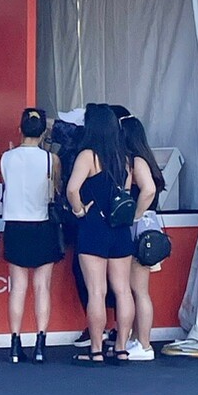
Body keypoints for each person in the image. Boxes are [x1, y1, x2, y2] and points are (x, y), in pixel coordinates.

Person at [66, 104, 153, 365]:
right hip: (120, 229)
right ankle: (122, 347)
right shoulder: (125, 158)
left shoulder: (88, 156)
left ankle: (96, 350)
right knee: (123, 290)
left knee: (97, 291)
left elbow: (72, 189)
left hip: (93, 227)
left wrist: (79, 210)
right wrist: (135, 215)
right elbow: (135, 191)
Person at [0, 107, 63, 363]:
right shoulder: (51, 159)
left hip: (15, 224)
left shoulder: (6, 157)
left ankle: (15, 344)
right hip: (43, 224)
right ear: (43, 133)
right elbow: (55, 189)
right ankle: (40, 344)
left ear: (20, 129)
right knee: (41, 286)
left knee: (18, 287)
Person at [121, 116, 165, 361]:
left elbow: (148, 190)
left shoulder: (136, 161)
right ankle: (138, 339)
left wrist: (135, 215)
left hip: (140, 228)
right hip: (150, 226)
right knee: (138, 289)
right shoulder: (147, 158)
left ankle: (145, 344)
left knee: (138, 290)